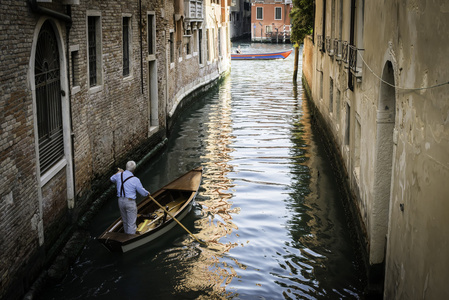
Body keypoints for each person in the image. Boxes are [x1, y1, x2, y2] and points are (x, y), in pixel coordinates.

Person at [110, 161, 149, 234]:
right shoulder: (135, 179)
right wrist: (147, 193)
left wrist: (118, 172)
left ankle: (126, 236)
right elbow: (142, 193)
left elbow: (111, 179)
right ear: (134, 169)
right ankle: (130, 239)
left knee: (125, 221)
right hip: (130, 202)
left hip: (120, 201)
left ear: (126, 167)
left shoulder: (119, 175)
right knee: (131, 223)